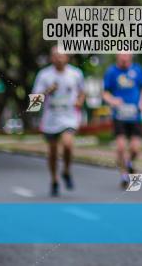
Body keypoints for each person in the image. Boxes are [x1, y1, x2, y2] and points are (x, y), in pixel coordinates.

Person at [32, 45, 86, 197]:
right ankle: (54, 179)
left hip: (69, 118)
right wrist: (47, 91)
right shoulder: (44, 75)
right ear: (51, 58)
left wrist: (79, 101)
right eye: (55, 55)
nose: (58, 58)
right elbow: (34, 103)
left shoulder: (76, 74)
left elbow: (82, 92)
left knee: (68, 144)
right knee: (53, 152)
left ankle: (67, 171)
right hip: (50, 120)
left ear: (67, 57)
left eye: (61, 55)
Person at [103, 52, 142, 189]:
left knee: (135, 149)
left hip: (135, 115)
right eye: (121, 55)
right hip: (119, 116)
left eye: (126, 55)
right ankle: (124, 175)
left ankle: (129, 163)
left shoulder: (138, 70)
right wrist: (112, 100)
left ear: (130, 57)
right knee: (121, 147)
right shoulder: (111, 72)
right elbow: (105, 93)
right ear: (117, 57)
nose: (124, 58)